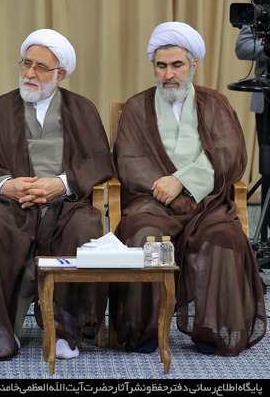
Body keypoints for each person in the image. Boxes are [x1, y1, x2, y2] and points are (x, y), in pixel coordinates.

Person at [111, 21, 267, 356]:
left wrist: (182, 181)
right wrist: (165, 191)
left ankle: (211, 329)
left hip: (206, 202)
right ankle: (144, 328)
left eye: (177, 65)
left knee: (223, 237)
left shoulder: (215, 103)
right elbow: (128, 159)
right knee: (145, 236)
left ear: (193, 64)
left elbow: (229, 153)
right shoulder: (138, 107)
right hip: (152, 203)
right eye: (161, 66)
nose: (169, 74)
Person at [0, 29, 113, 360]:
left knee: (84, 228)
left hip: (66, 203)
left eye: (40, 67)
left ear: (60, 74)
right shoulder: (1, 108)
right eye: (26, 63)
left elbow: (99, 160)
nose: (29, 73)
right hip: (12, 202)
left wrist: (62, 184)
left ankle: (65, 330)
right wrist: (7, 185)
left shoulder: (81, 109)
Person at [235, 25, 270, 237]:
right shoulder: (264, 9)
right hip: (267, 101)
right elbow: (243, 47)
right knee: (268, 169)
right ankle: (265, 233)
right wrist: (266, 49)